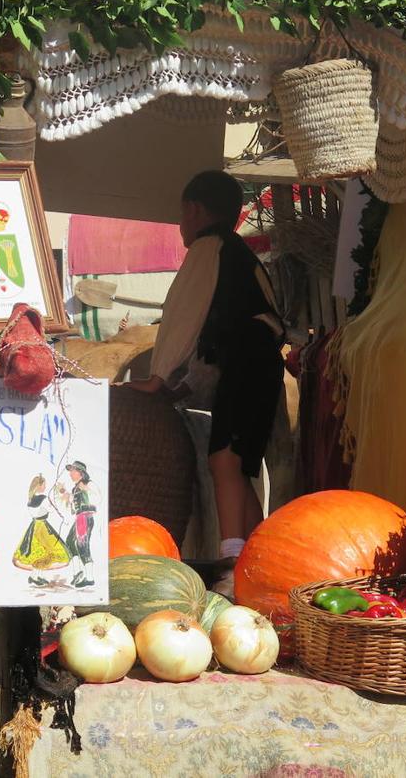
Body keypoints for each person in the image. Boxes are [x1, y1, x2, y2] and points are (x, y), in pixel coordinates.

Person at [129, 170, 284, 596]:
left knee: (226, 460)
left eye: (182, 214)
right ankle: (264, 555)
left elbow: (184, 314)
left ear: (194, 210)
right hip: (258, 361)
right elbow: (211, 336)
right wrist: (186, 384)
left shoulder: (210, 247)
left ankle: (233, 565)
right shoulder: (237, 254)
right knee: (240, 462)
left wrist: (159, 376)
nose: (181, 225)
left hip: (248, 361)